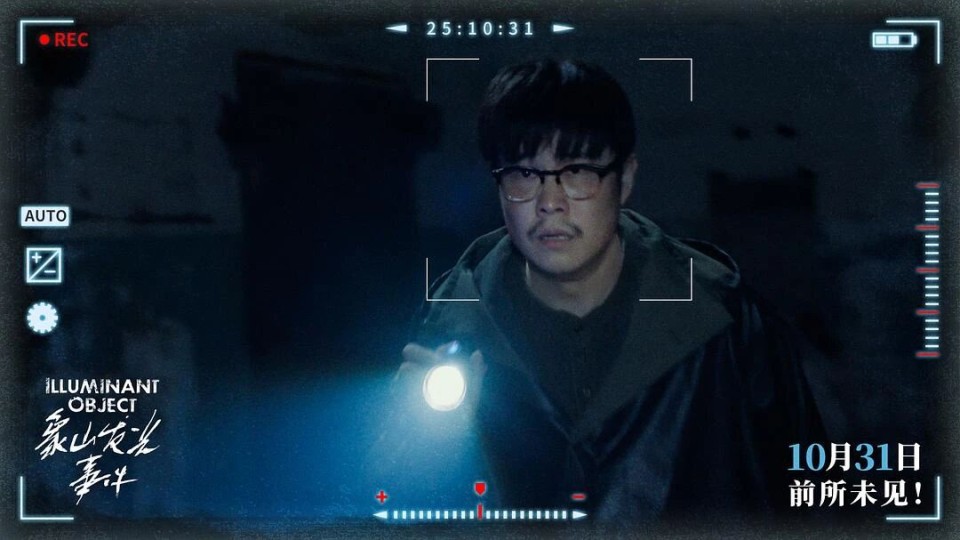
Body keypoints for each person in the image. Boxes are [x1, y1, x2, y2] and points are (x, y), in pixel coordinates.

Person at [374, 58, 824, 524]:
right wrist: (421, 448)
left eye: (578, 171)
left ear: (624, 178)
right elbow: (397, 505)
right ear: (498, 185)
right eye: (523, 174)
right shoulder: (450, 327)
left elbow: (811, 497)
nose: (550, 203)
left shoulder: (725, 322)